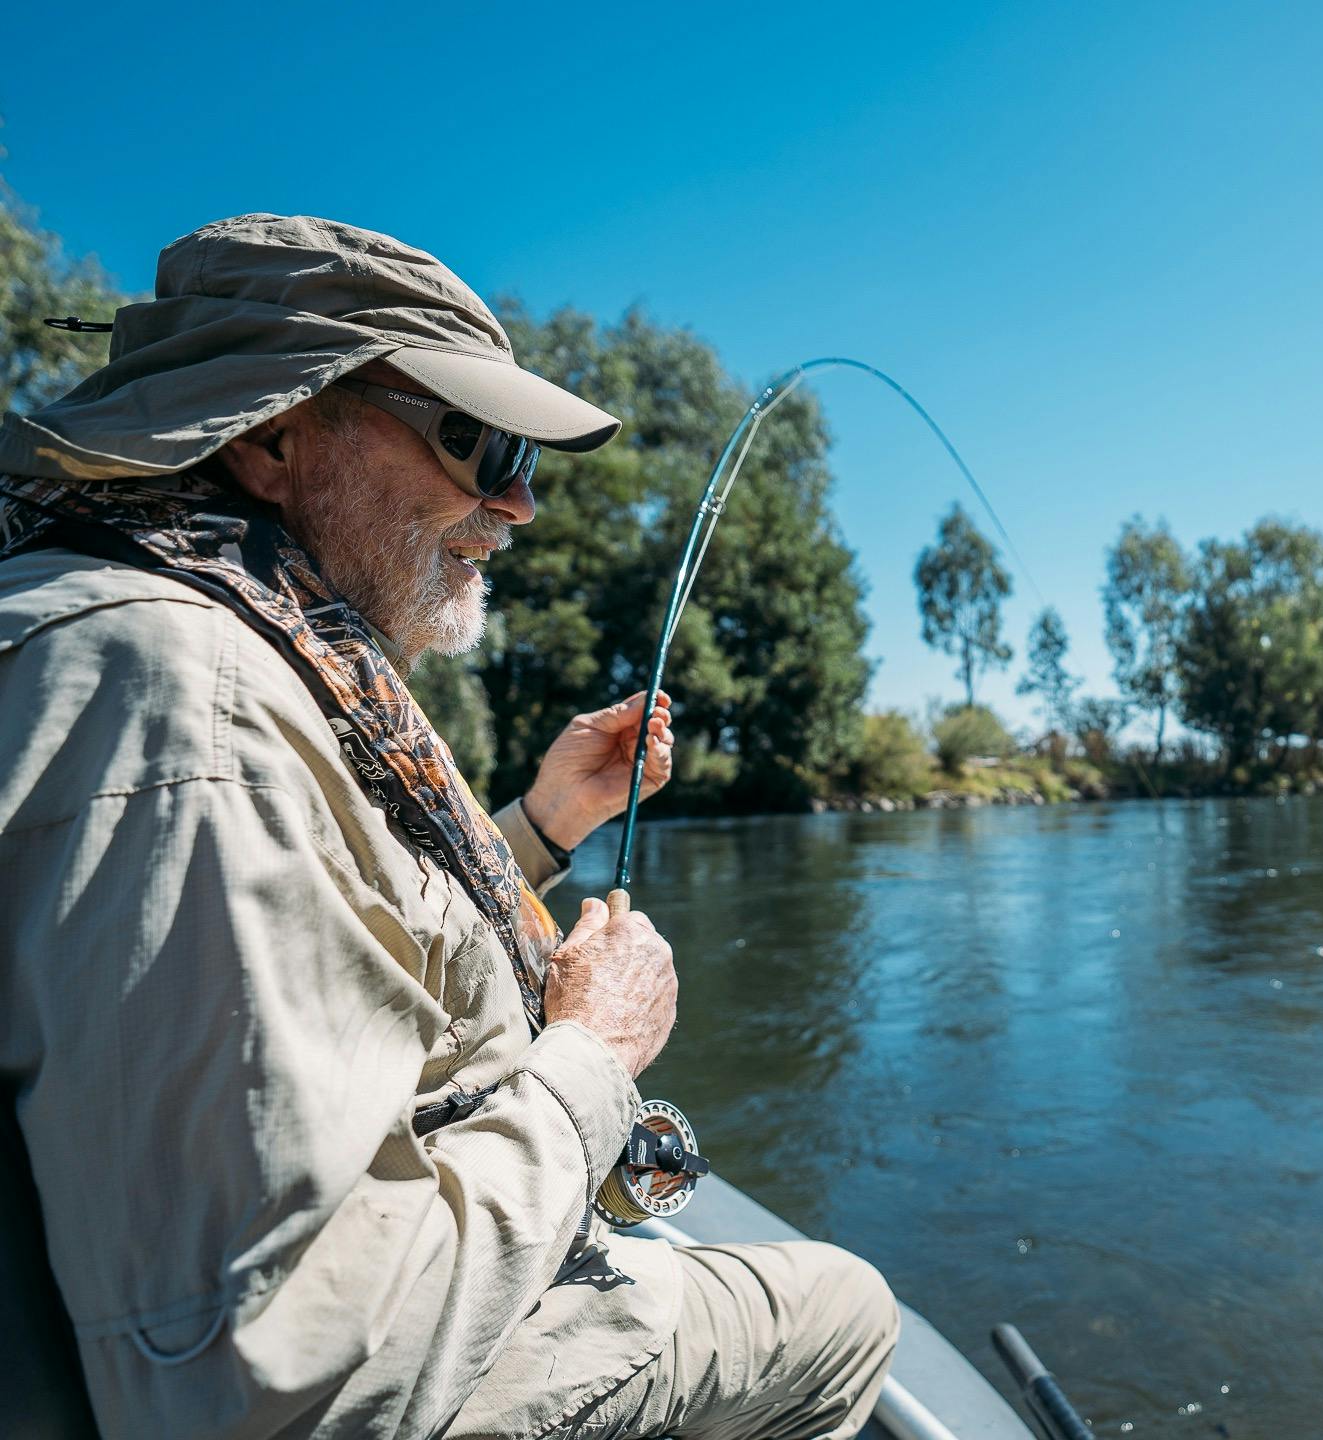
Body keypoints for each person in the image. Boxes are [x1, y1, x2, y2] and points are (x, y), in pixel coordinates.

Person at [0, 214, 898, 1439]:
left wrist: (538, 822)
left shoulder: (181, 623)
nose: (521, 504)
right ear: (273, 433)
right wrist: (593, 1056)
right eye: (475, 443)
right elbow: (276, 1386)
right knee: (844, 1311)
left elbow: (326, 917)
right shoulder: (182, 696)